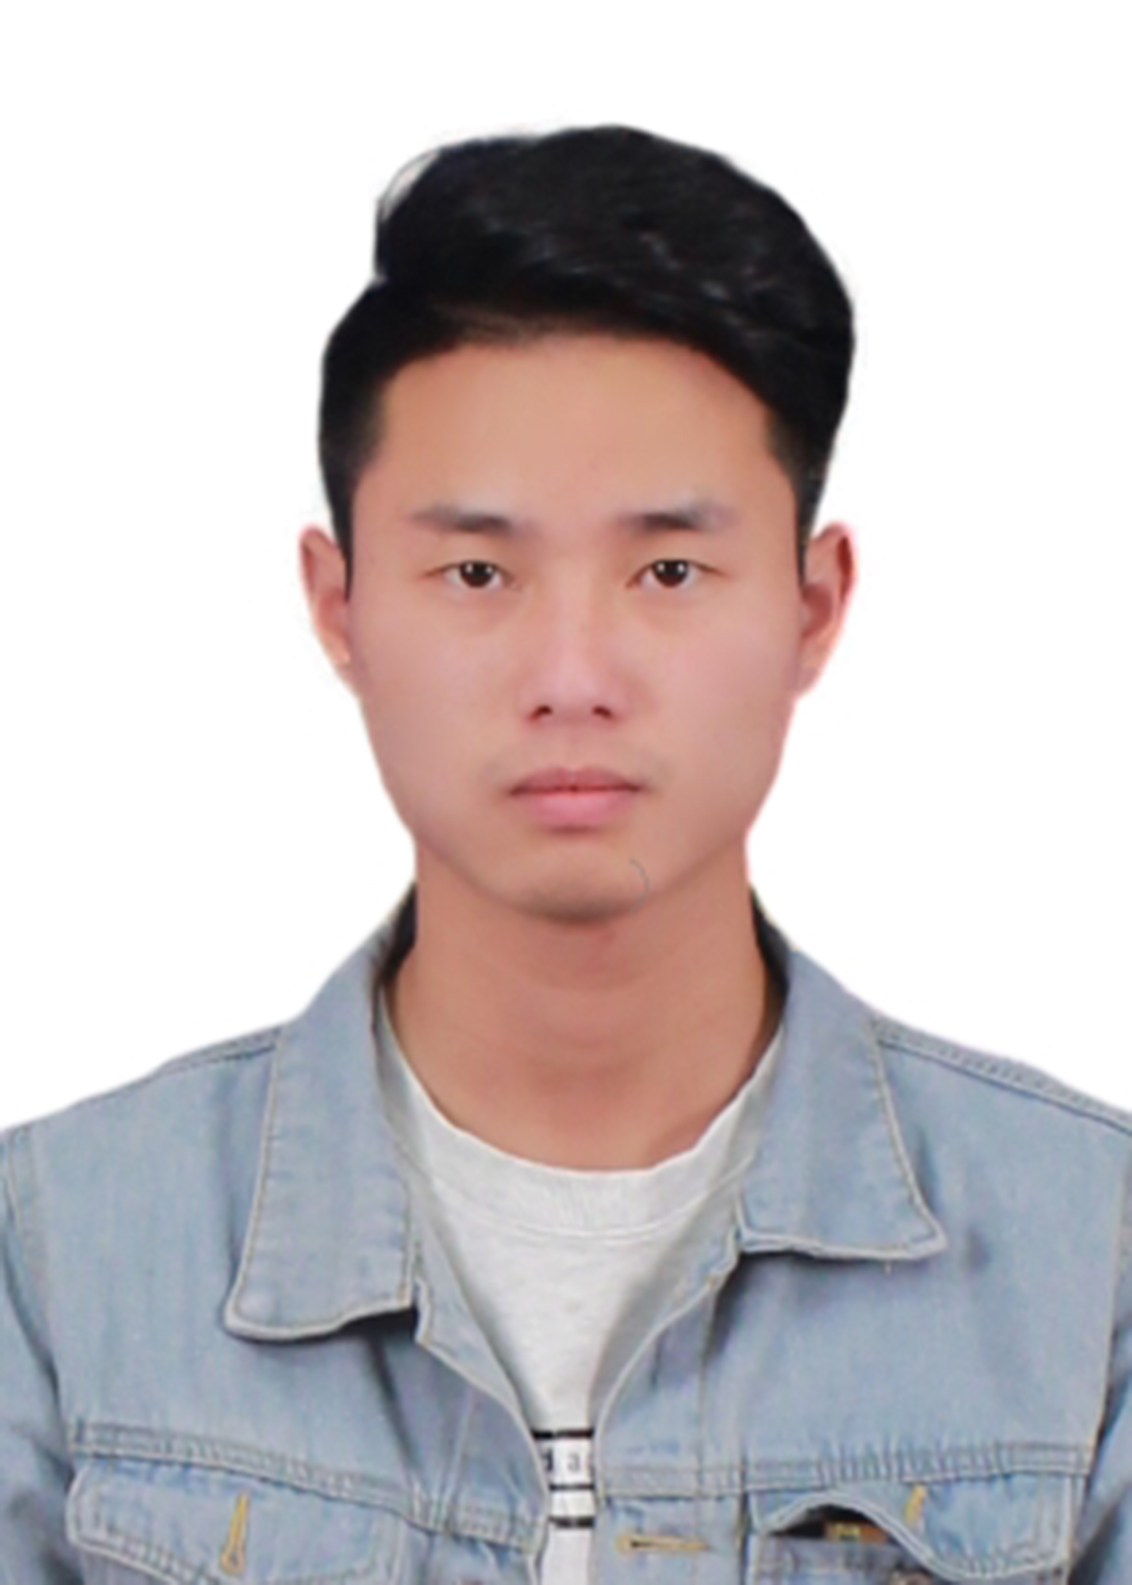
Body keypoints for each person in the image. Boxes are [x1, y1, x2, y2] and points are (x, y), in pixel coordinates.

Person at [1, 124, 1129, 1585]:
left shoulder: (1090, 1264)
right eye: (478, 570)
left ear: (812, 606)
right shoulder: (58, 1260)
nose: (574, 675)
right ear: (340, 605)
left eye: (669, 569)